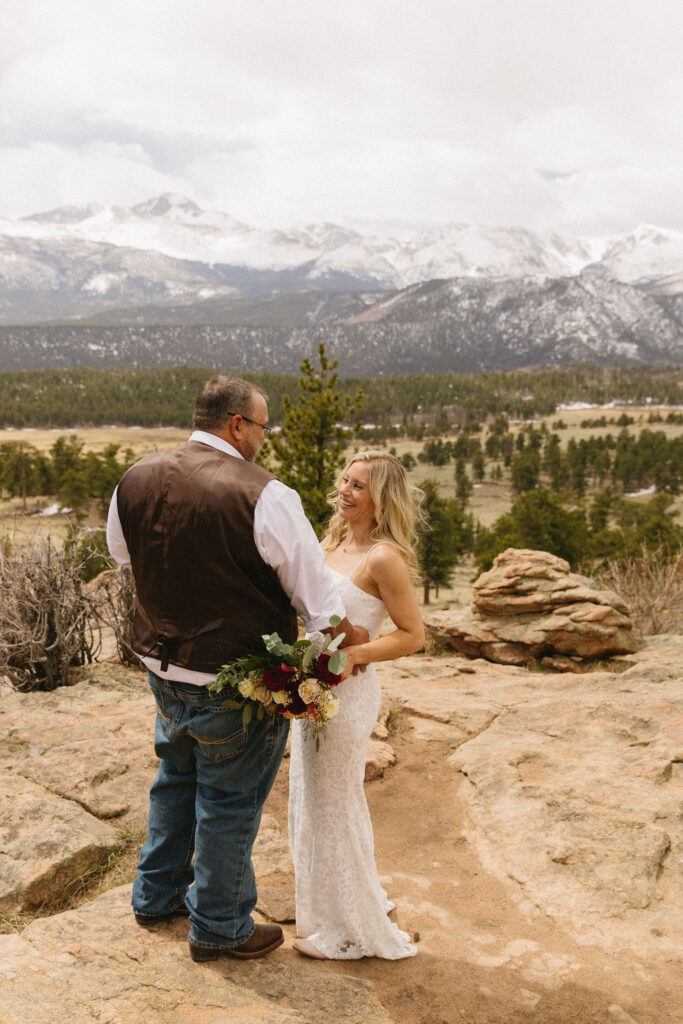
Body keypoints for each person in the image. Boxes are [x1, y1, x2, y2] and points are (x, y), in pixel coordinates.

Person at [106, 376, 367, 962]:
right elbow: (317, 600)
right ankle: (220, 926)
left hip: (162, 668)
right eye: (263, 427)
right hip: (233, 682)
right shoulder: (266, 495)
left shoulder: (136, 476)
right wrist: (333, 657)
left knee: (175, 779)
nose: (264, 440)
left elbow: (124, 556)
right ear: (237, 425)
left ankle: (156, 895)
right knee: (229, 800)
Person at [288, 450, 426, 960]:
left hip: (348, 695)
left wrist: (353, 656)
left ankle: (346, 929)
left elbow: (414, 635)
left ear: (382, 498)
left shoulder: (383, 558)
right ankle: (330, 903)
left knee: (332, 800)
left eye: (359, 486)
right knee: (315, 797)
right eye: (344, 480)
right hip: (314, 689)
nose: (344, 491)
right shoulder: (330, 544)